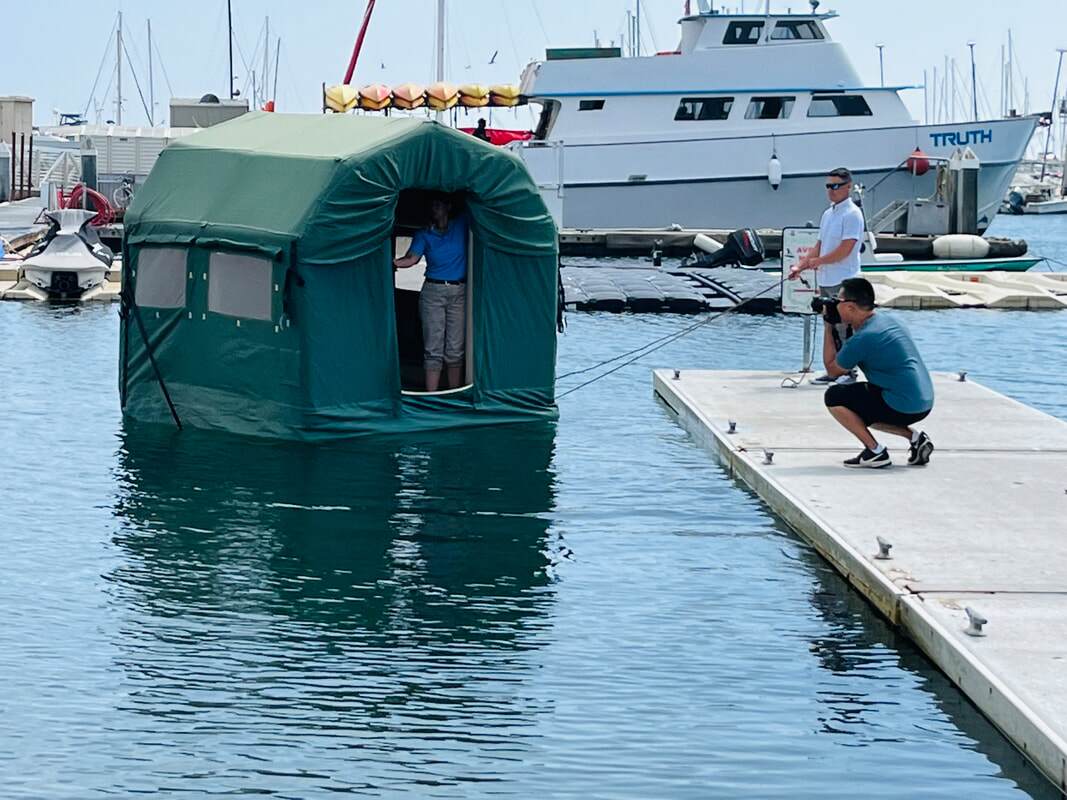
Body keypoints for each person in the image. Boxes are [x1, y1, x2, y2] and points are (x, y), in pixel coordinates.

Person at [820, 277, 935, 469]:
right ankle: (915, 437)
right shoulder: (888, 319)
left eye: (836, 301)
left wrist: (828, 325)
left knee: (835, 397)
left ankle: (875, 452)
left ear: (850, 307)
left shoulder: (865, 337)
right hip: (923, 401)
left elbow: (832, 370)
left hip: (902, 404)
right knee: (862, 406)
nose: (833, 305)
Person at [788, 167, 865, 384]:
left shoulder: (852, 214)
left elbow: (846, 249)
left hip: (844, 280)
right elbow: (819, 246)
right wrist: (801, 266)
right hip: (826, 280)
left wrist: (817, 262)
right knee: (830, 326)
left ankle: (849, 372)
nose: (831, 190)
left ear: (848, 187)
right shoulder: (828, 214)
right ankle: (833, 370)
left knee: (845, 328)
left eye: (836, 186)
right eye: (828, 186)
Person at [393, 196, 468, 392]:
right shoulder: (424, 234)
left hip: (459, 291)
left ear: (448, 207)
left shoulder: (461, 225)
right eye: (432, 205)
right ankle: (432, 395)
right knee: (433, 348)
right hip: (433, 293)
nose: (434, 209)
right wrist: (391, 264)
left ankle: (454, 394)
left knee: (455, 348)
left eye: (438, 205)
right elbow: (412, 259)